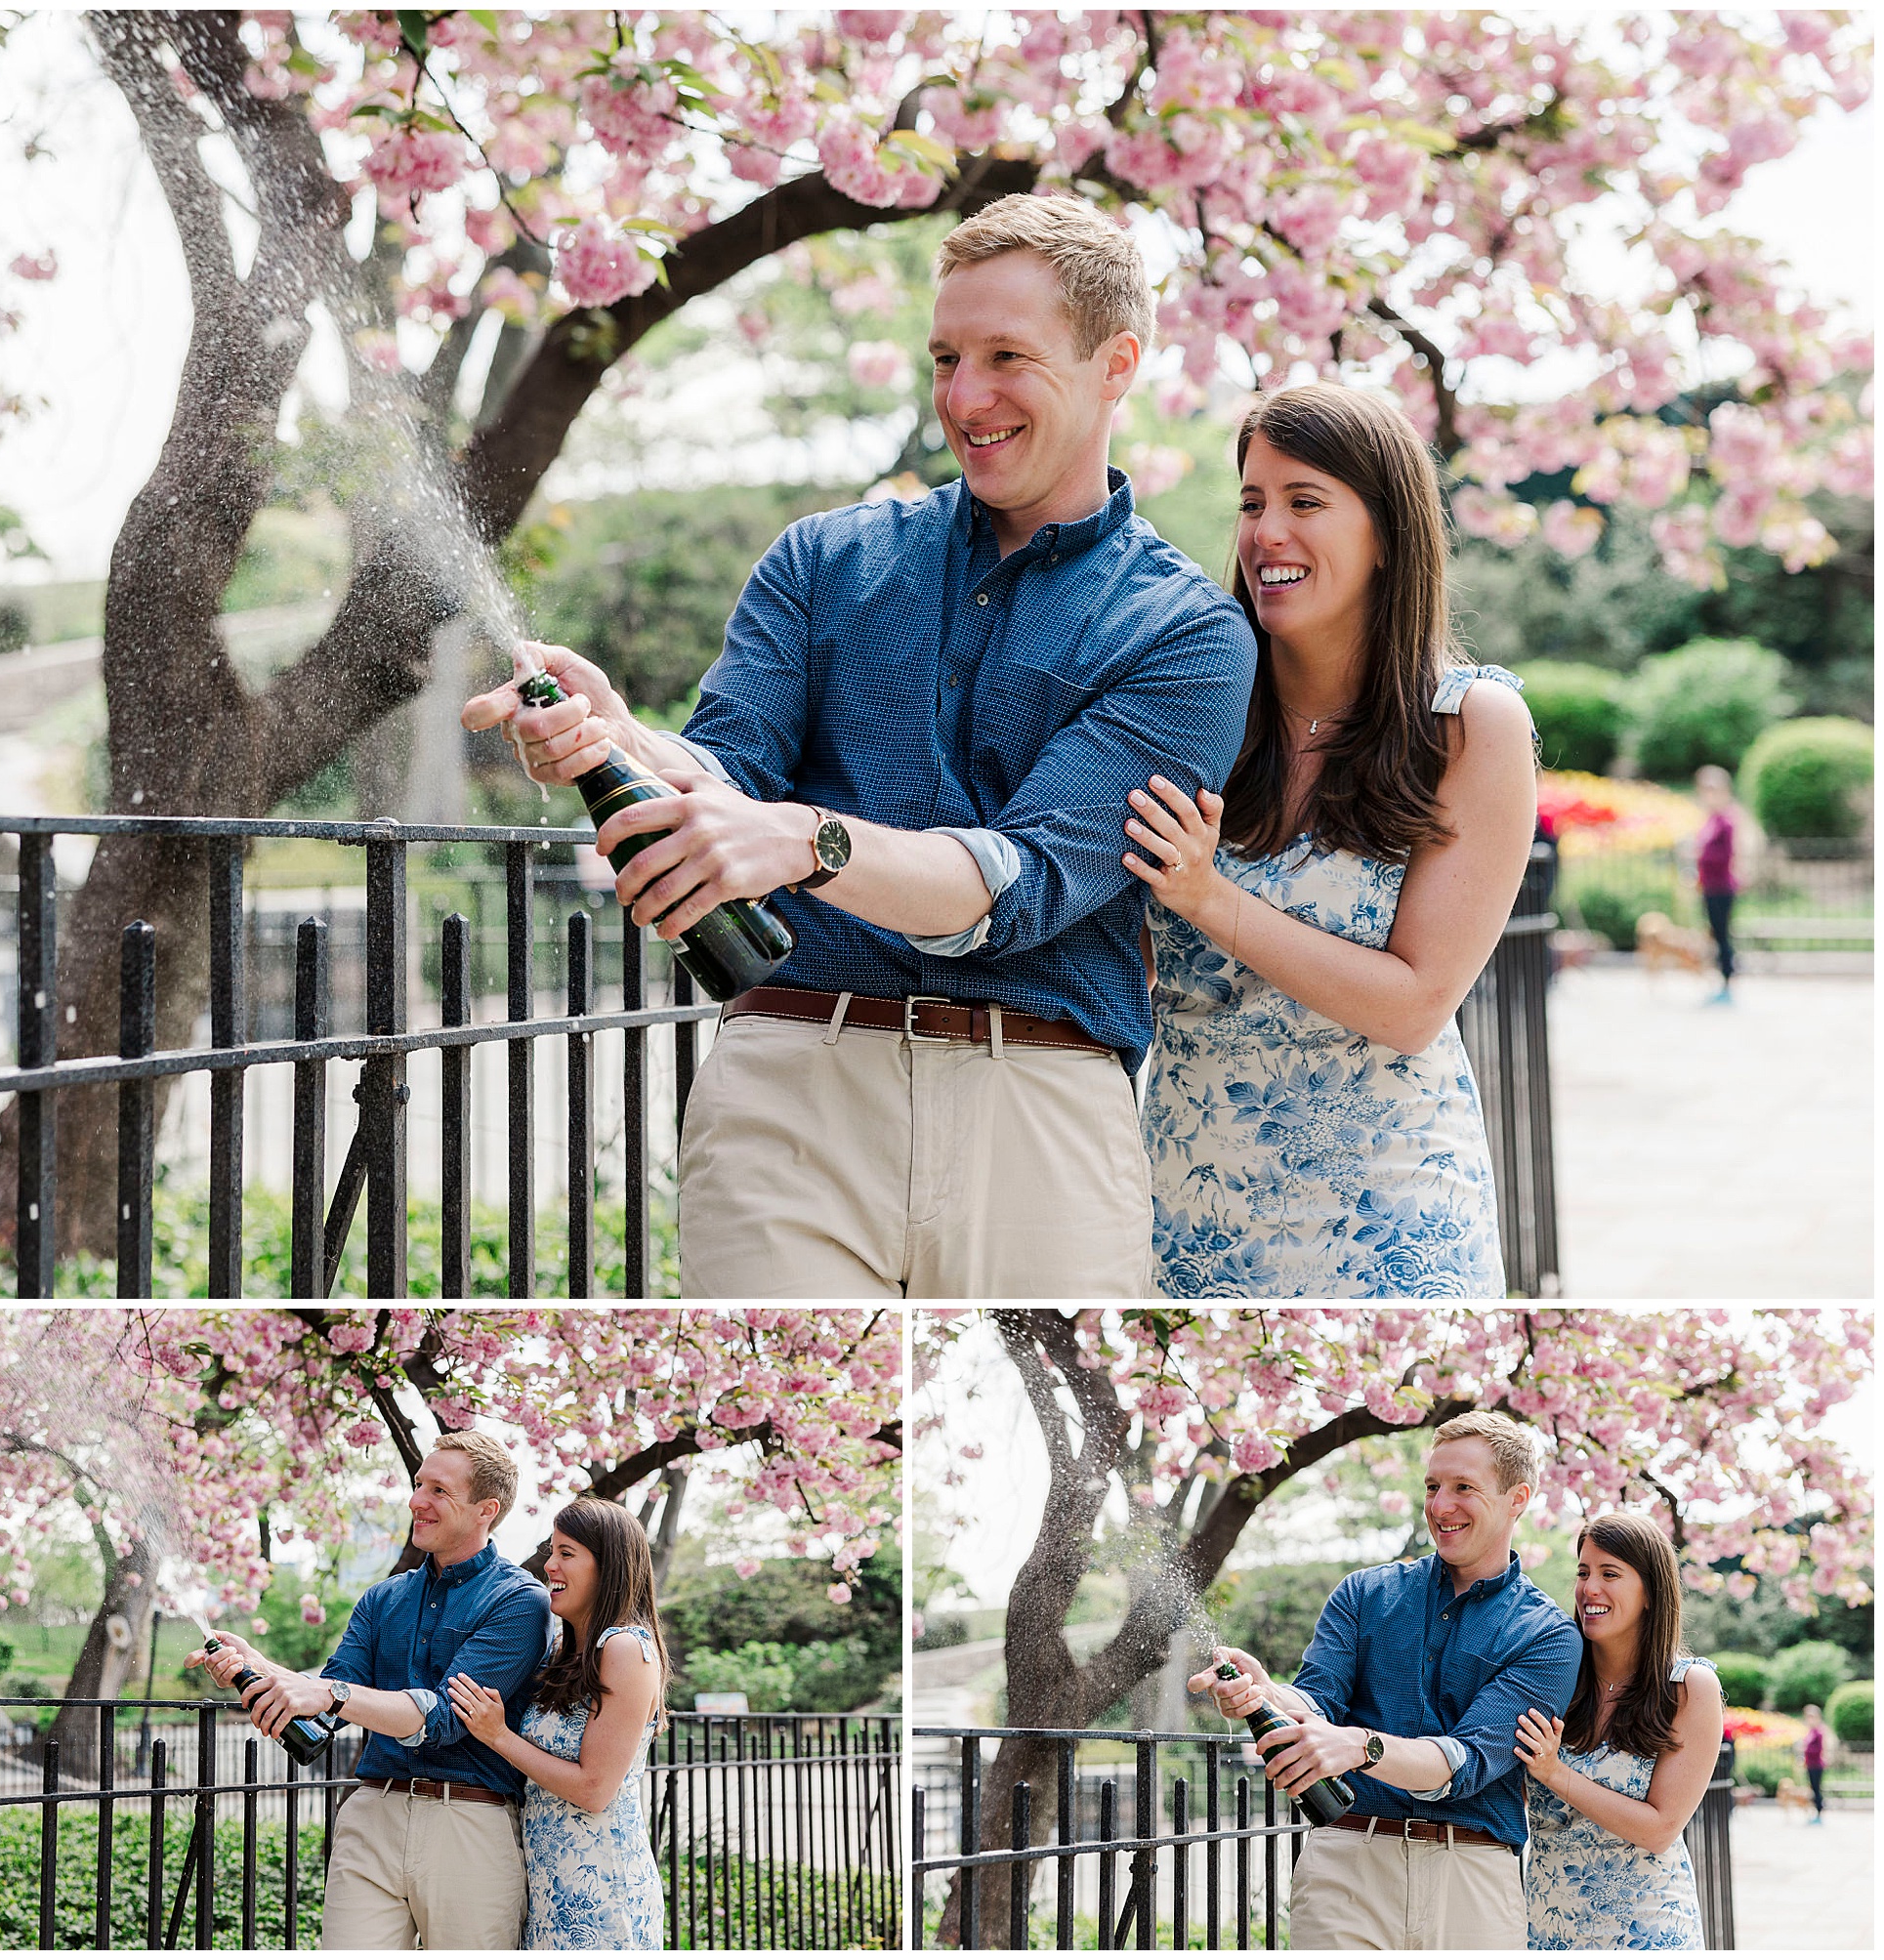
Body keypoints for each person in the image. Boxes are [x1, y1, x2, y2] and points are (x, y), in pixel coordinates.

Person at [461, 193, 1254, 1298]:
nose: (963, 398)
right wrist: (621, 737)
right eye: (943, 358)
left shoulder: (1188, 636)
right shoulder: (820, 560)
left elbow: (1020, 885)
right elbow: (729, 771)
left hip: (1038, 1117)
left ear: (1114, 363)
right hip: (789, 1092)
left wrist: (808, 844)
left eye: (1005, 358)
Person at [1124, 381, 1536, 1298]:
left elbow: (1415, 1004)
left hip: (1395, 1221)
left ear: (1387, 533)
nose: (1267, 532)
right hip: (1188, 1207)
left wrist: (1208, 898)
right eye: (1252, 502)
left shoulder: (1471, 726)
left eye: (1305, 501)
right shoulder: (1194, 712)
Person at [1190, 1410, 1582, 1951]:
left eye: (1463, 1487)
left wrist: (1361, 1746)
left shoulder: (1548, 1636)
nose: (1440, 1506)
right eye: (1432, 1486)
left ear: (1518, 1497)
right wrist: (1268, 1693)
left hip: (1470, 1881)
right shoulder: (1362, 1594)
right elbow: (1317, 1699)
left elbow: (1466, 1764)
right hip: (1347, 1868)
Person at [188, 1432, 552, 1950]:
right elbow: (331, 1698)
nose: (416, 1501)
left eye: (438, 1491)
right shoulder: (384, 1597)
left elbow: (447, 1717)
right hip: (372, 1816)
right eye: (417, 1483)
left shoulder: (519, 1602)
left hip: (469, 1827)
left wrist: (330, 1693)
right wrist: (257, 1666)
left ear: (485, 1510)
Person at [447, 1498, 668, 1950]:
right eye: (551, 1551)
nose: (549, 1565)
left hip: (602, 1891)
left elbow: (594, 1788)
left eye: (567, 1554)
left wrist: (499, 1736)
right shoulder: (562, 1653)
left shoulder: (625, 1649)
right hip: (550, 1887)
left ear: (610, 1567)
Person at [1514, 1511, 1725, 1948]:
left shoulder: (1689, 1689)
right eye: (1583, 1572)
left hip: (1647, 1931)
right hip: (1548, 1926)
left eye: (1610, 1573)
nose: (1590, 1588)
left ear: (1651, 1591)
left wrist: (1556, 1774)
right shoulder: (1554, 1679)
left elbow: (1660, 1828)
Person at [1692, 764, 1739, 1004]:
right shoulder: (1710, 819)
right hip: (1709, 886)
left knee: (1722, 936)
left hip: (1722, 886)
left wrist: (1700, 854)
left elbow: (1725, 855)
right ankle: (1719, 982)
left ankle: (1727, 983)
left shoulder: (1726, 821)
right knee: (1713, 936)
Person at [1800, 1703, 1829, 1824]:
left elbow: (1818, 1749)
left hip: (1816, 1765)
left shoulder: (1819, 1732)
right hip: (1810, 1764)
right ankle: (1814, 1813)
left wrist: (1805, 1749)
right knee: (1812, 1789)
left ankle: (1819, 1813)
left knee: (1816, 1790)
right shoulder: (1810, 1732)